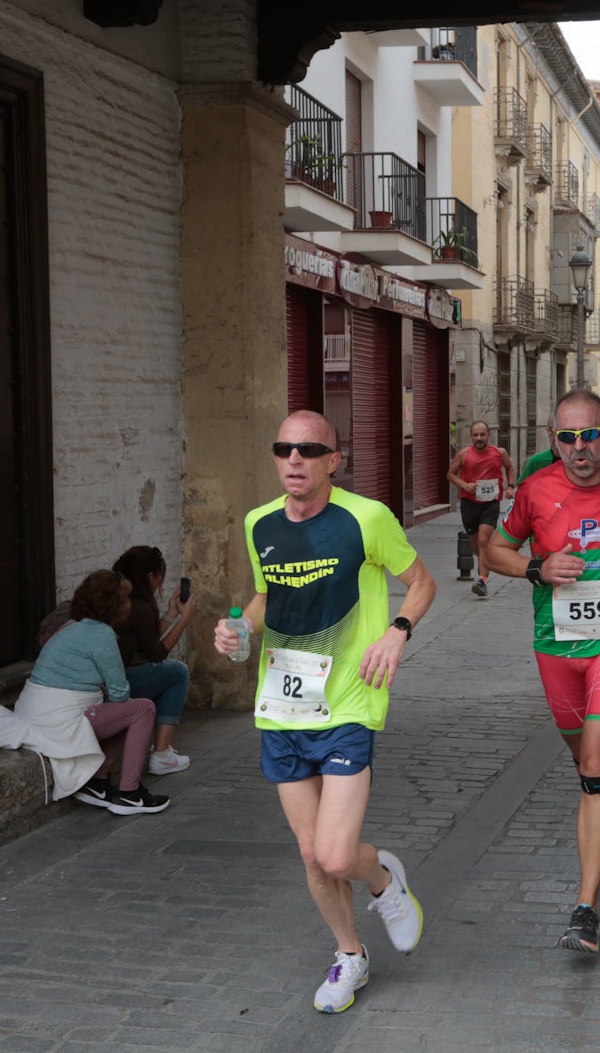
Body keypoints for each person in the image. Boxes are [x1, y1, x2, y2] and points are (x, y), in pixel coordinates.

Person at [213, 410, 437, 1014]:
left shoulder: (367, 518)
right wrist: (237, 627)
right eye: (284, 448)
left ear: (332, 461)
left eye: (309, 450)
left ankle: (383, 879)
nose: (294, 460)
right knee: (311, 855)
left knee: (338, 856)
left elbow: (421, 582)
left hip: (348, 703)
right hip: (282, 710)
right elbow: (266, 596)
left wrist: (396, 632)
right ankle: (350, 956)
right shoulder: (259, 523)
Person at [484, 390, 600, 955]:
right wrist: (537, 567)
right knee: (583, 761)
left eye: (589, 435)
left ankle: (585, 908)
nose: (579, 448)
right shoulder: (536, 489)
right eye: (567, 437)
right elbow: (495, 550)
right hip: (555, 644)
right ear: (552, 437)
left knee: (595, 764)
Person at [0, 569, 169, 816]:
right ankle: (130, 794)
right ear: (116, 604)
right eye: (126, 598)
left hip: (37, 713)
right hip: (57, 720)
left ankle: (97, 783)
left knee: (124, 711)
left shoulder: (70, 626)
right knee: (142, 709)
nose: (129, 604)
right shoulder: (101, 634)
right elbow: (119, 691)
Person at [112, 545, 194, 775]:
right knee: (177, 672)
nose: (160, 582)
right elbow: (156, 653)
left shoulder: (122, 597)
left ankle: (161, 751)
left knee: (166, 672)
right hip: (117, 681)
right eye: (160, 577)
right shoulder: (138, 605)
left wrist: (171, 614)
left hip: (108, 676)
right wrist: (185, 618)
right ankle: (161, 754)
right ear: (151, 576)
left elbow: (144, 640)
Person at [446, 420, 515, 598]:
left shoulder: (499, 453)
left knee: (484, 540)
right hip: (469, 504)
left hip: (490, 504)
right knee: (476, 545)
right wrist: (464, 485)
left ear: (488, 435)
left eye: (482, 435)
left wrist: (510, 487)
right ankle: (483, 561)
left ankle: (482, 580)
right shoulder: (463, 454)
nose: (479, 438)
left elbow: (509, 468)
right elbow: (450, 474)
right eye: (475, 435)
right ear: (471, 436)